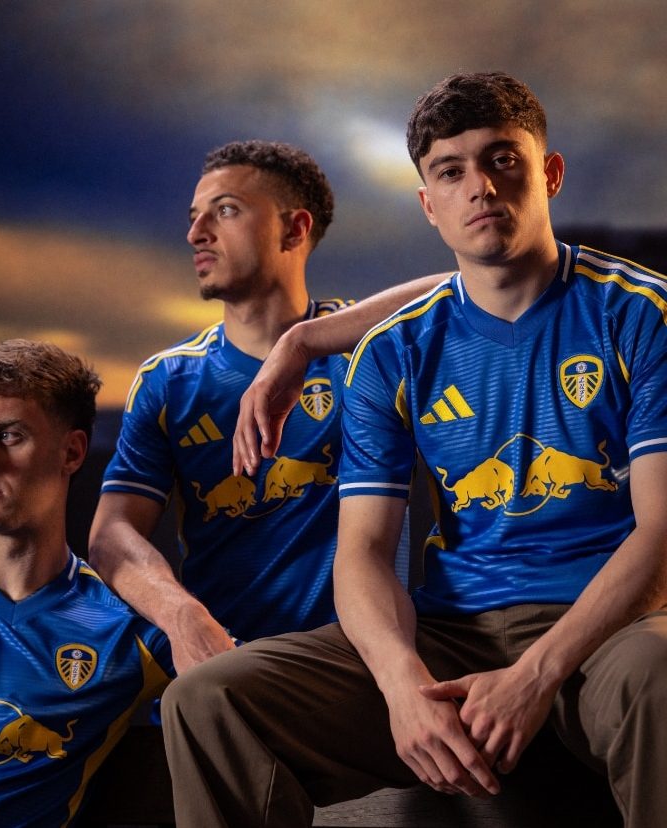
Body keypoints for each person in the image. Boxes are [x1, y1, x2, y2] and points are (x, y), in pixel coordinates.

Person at [160, 72, 667, 828]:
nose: (480, 187)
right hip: (455, 630)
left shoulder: (640, 314)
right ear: (429, 205)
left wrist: (534, 676)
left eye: (503, 160)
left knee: (661, 675)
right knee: (208, 699)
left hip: (611, 628)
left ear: (550, 173)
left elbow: (662, 533)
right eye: (450, 172)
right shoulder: (393, 351)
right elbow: (364, 553)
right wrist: (402, 687)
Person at [89, 140, 447, 671]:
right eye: (193, 217)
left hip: (362, 667)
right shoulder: (169, 380)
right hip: (224, 666)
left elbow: (463, 289)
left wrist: (302, 342)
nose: (196, 233)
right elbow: (110, 535)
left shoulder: (370, 348)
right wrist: (181, 616)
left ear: (294, 229)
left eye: (225, 210)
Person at [0, 339, 174, 828]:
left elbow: (245, 689)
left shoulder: (124, 629)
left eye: (8, 435)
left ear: (71, 452)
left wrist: (184, 615)